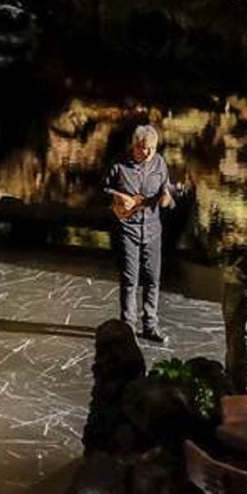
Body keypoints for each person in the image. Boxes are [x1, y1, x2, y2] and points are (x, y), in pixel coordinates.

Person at [105, 123, 176, 343]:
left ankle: (150, 326)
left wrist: (168, 200)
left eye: (151, 149)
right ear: (134, 145)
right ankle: (127, 327)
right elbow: (104, 189)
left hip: (153, 229)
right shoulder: (119, 165)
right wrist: (119, 197)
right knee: (130, 279)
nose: (146, 153)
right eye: (142, 148)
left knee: (152, 279)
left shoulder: (160, 164)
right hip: (128, 228)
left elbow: (167, 194)